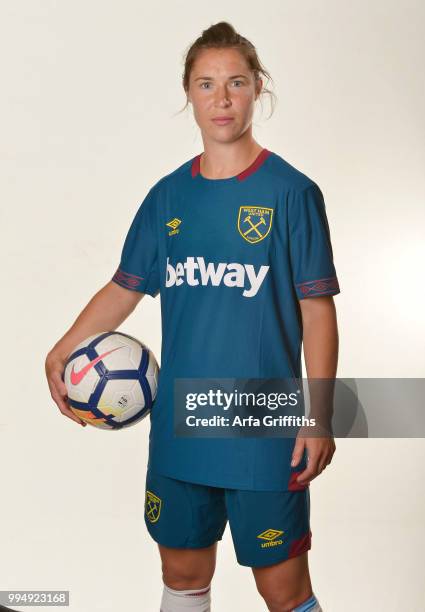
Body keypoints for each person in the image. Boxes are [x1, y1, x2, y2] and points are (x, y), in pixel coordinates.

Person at [45, 21, 340, 612]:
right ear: (189, 94)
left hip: (265, 427)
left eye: (235, 82)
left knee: (281, 589)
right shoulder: (167, 198)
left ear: (258, 88)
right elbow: (125, 287)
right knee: (182, 574)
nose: (222, 98)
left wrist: (319, 414)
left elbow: (318, 311)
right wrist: (64, 346)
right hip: (180, 422)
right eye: (206, 84)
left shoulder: (292, 193)